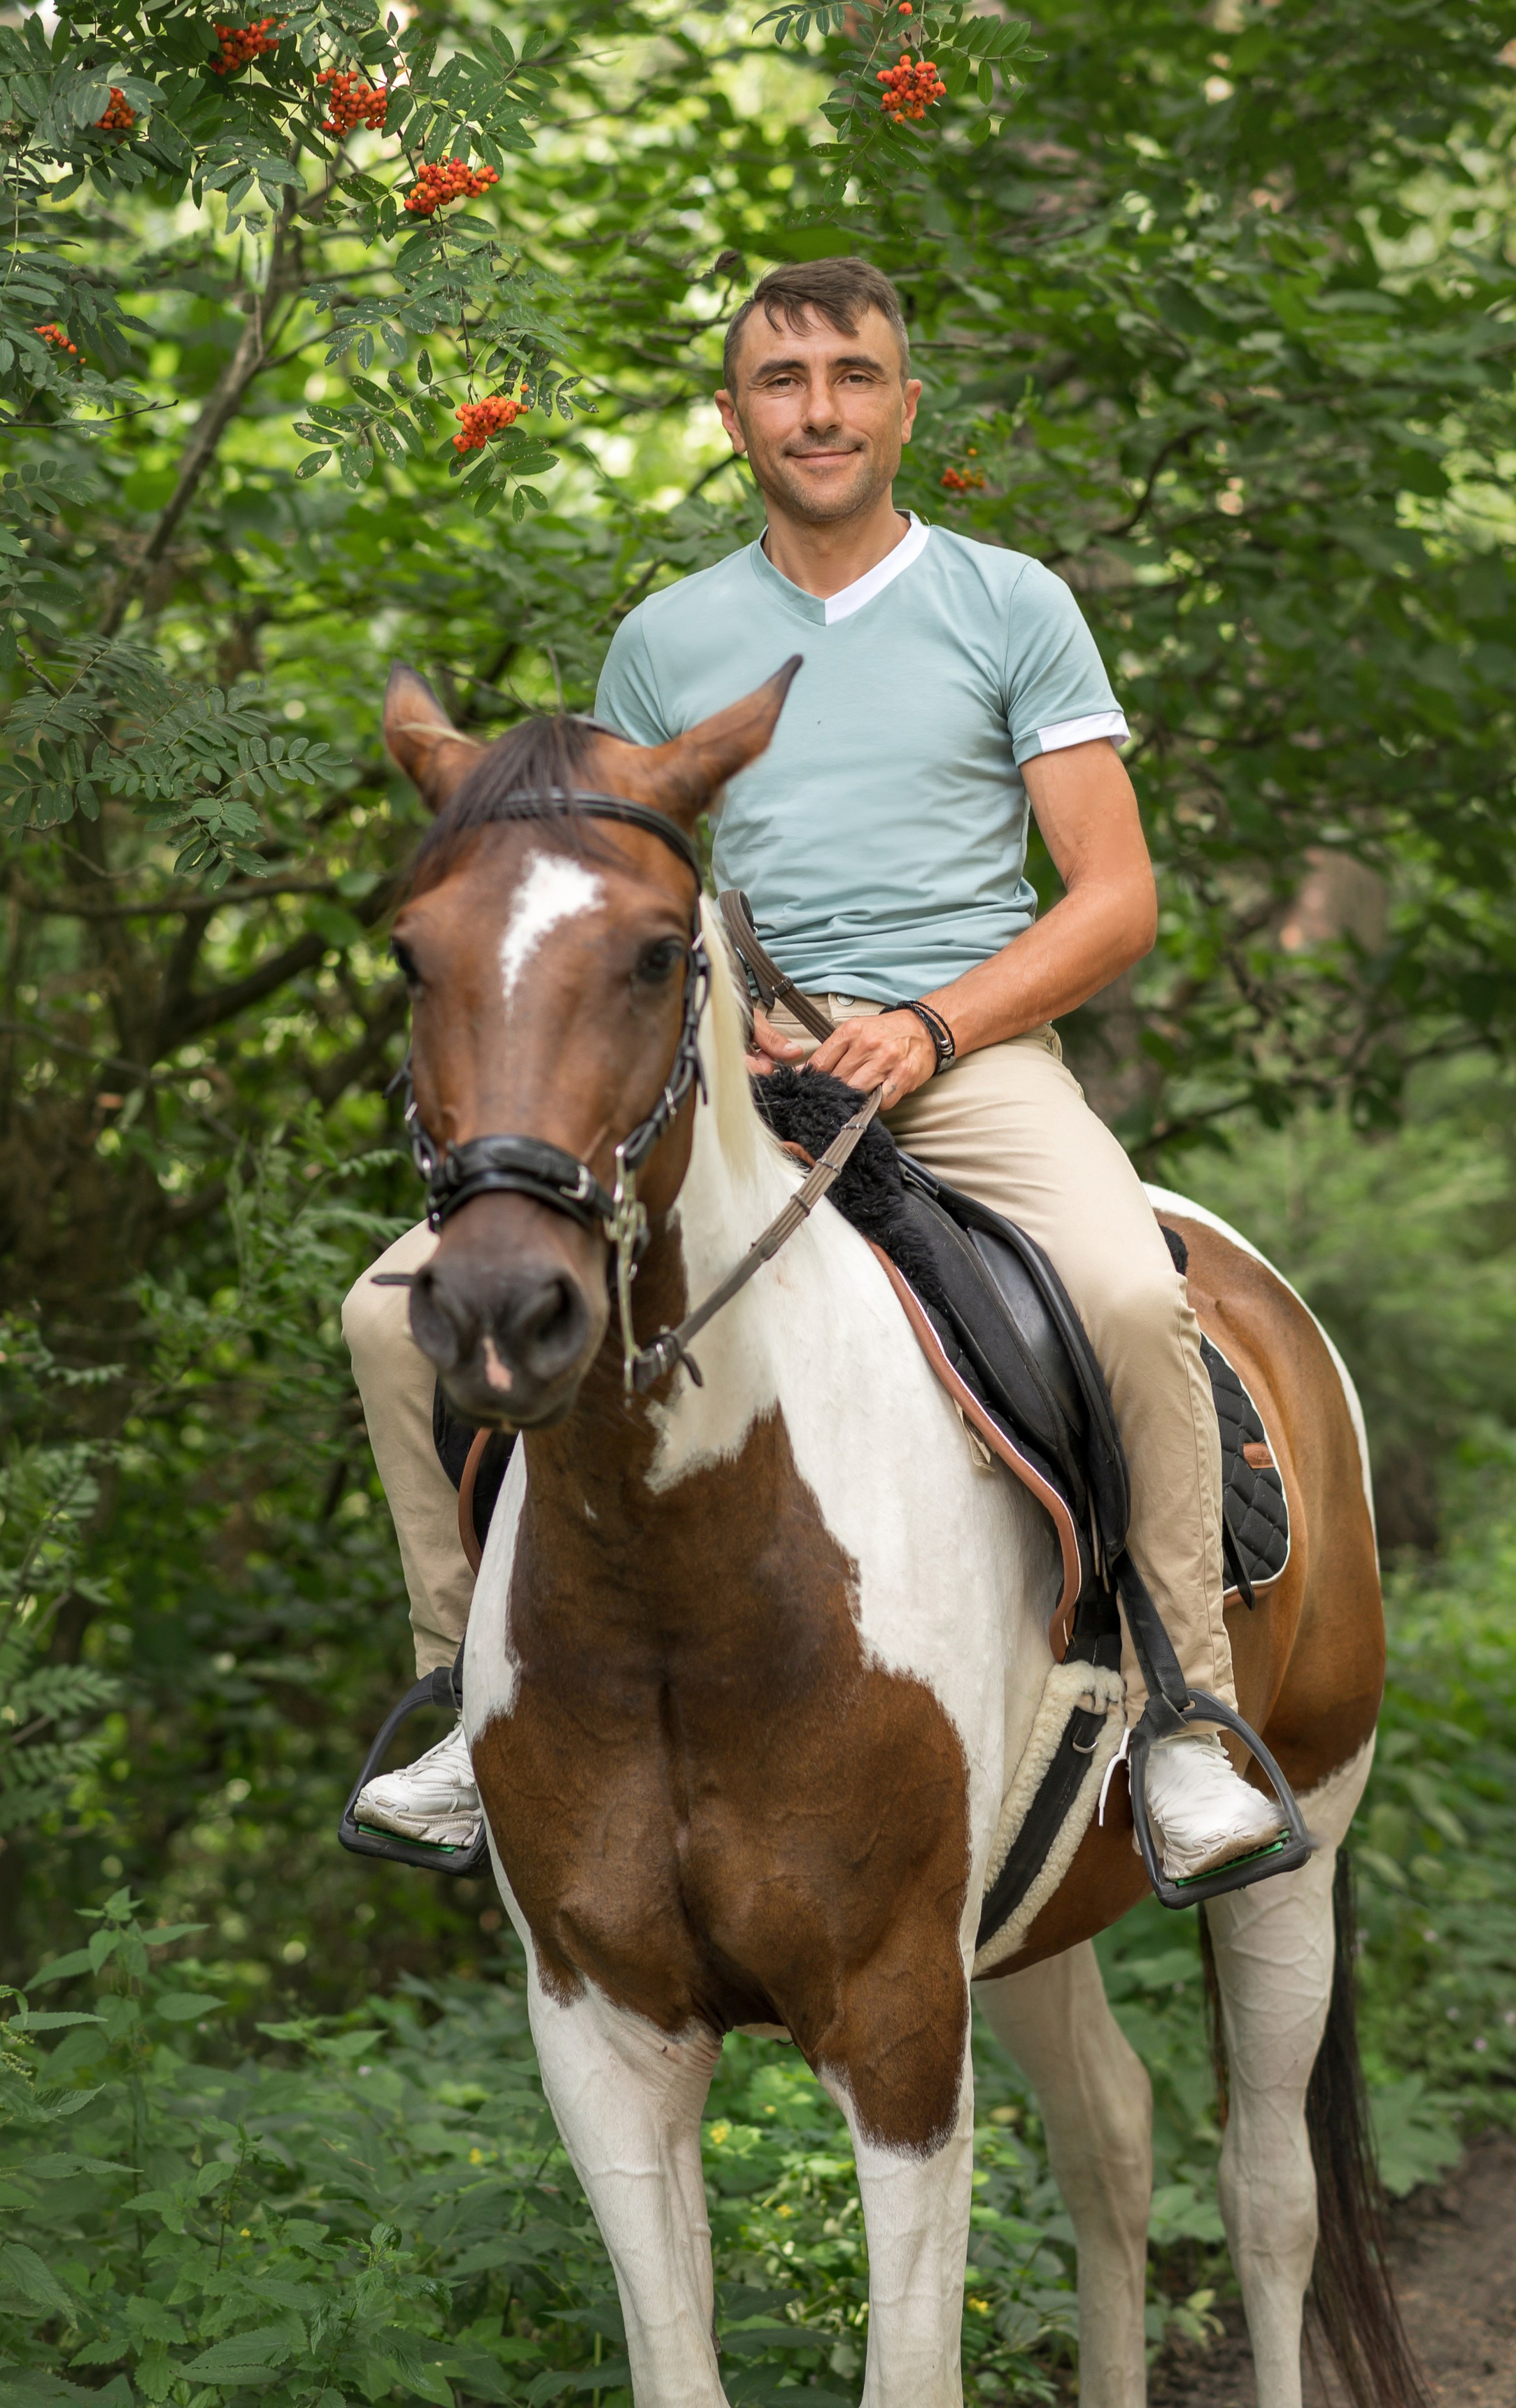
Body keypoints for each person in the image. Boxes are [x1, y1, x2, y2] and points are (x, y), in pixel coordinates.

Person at [343, 255, 1283, 1883]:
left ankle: (1182, 1710)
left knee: (1129, 1302)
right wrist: (725, 1023)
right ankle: (460, 1702)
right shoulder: (664, 637)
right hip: (726, 1052)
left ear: (904, 407)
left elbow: (1115, 895)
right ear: (732, 419)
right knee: (383, 1312)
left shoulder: (1007, 602)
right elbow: (628, 892)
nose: (819, 408)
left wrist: (928, 1026)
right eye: (781, 382)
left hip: (961, 1052)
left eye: (852, 375)